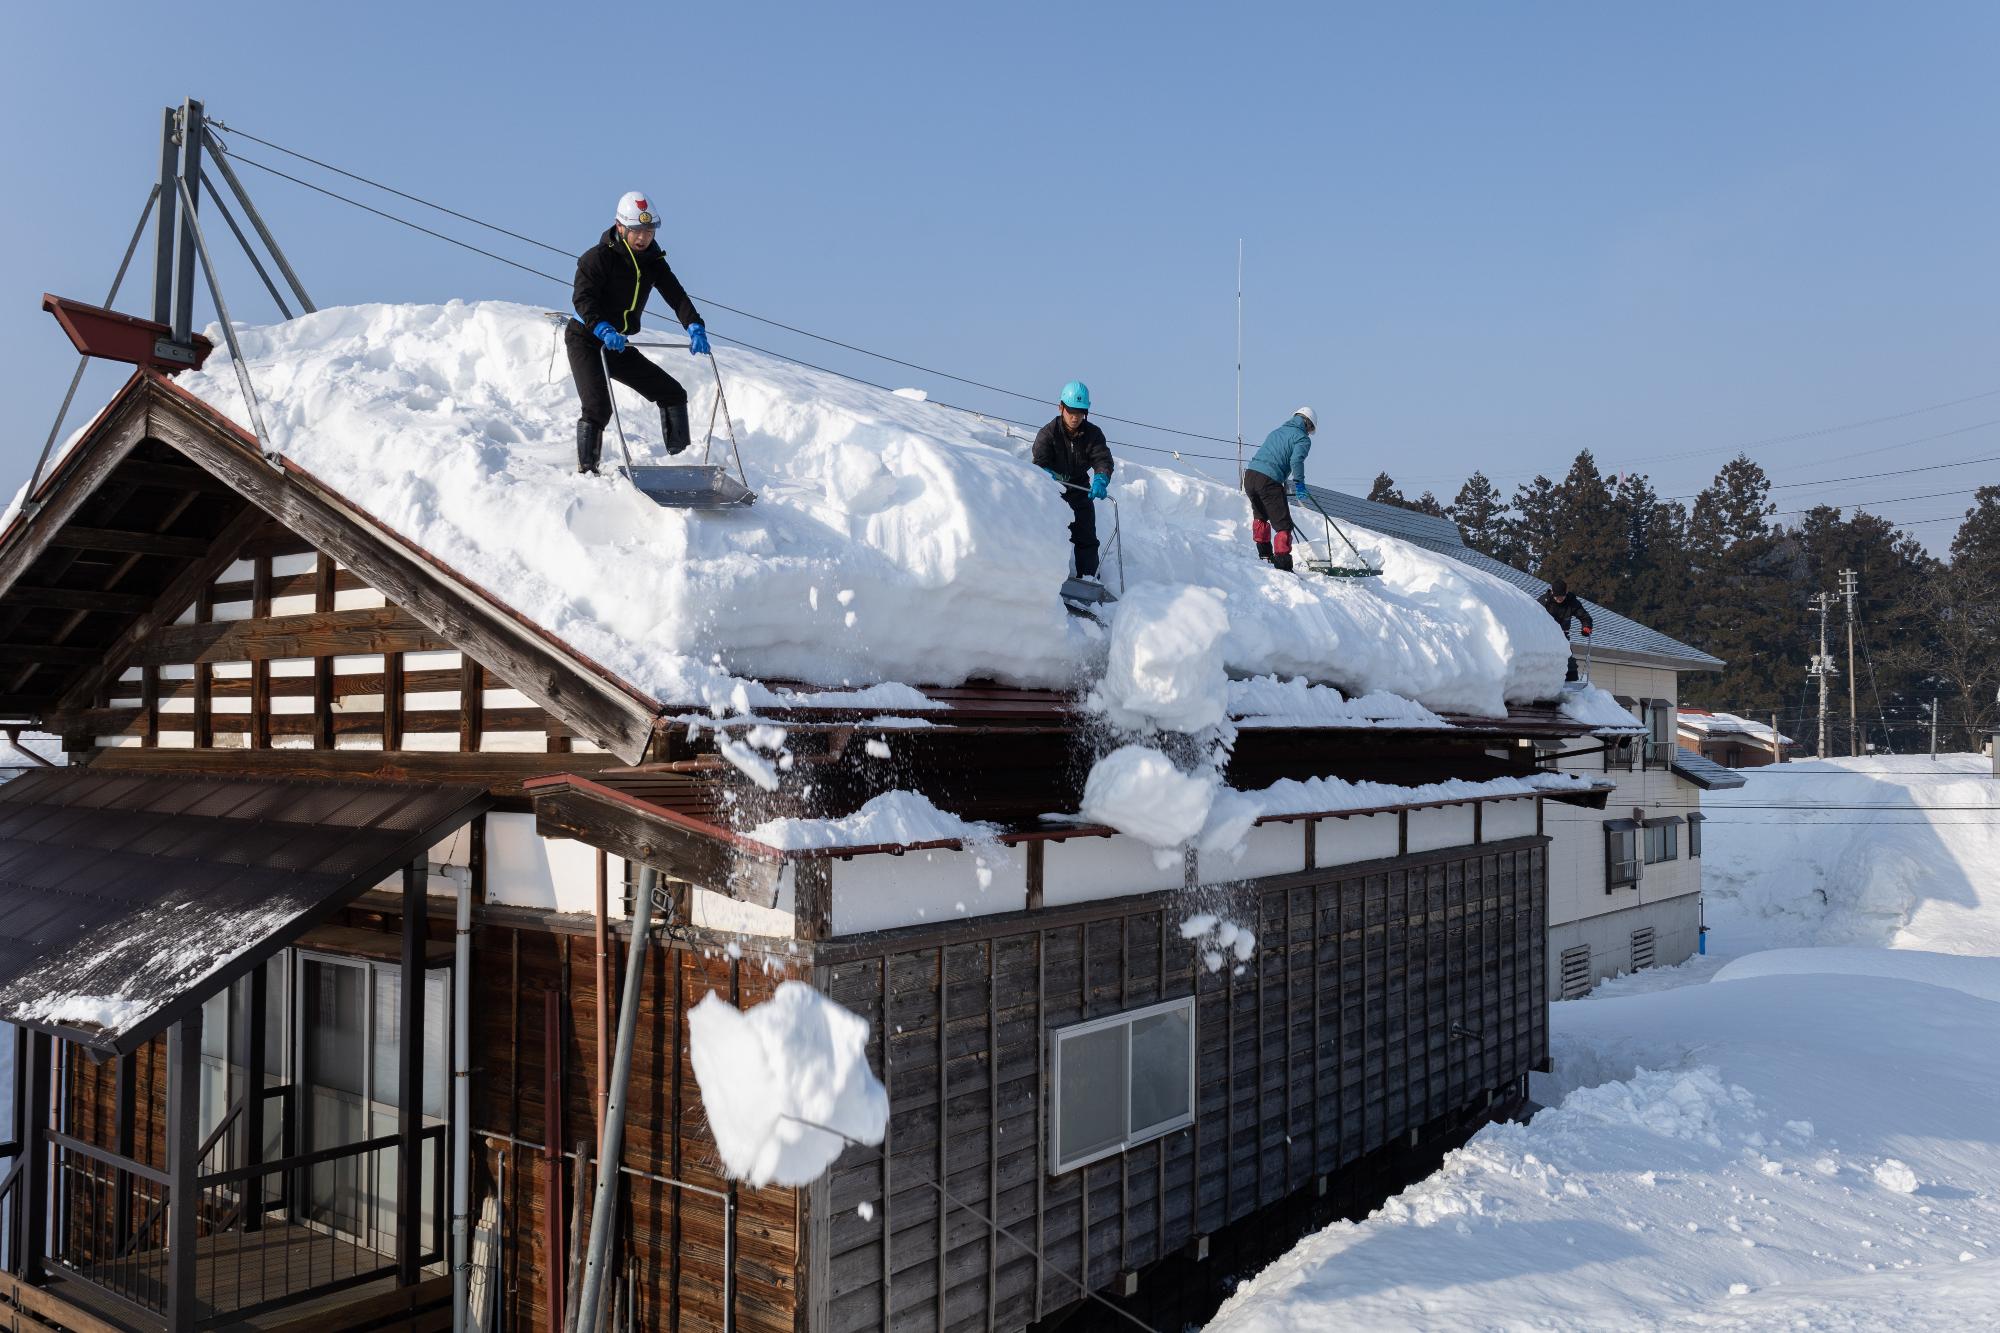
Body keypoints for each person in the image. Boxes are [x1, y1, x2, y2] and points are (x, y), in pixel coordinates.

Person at [567, 191, 709, 475]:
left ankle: (679, 464)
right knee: (597, 407)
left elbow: (675, 294)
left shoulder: (653, 261)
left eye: (649, 230)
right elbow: (583, 299)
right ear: (620, 227)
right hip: (587, 340)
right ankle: (587, 472)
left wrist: (694, 325)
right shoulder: (596, 258)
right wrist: (602, 327)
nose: (644, 237)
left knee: (672, 393)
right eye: (637, 231)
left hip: (617, 344)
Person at [1032, 381, 1114, 579]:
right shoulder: (1048, 433)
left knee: (1086, 537)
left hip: (1079, 490)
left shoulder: (1093, 434)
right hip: (1052, 492)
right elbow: (1038, 461)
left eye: (1080, 412)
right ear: (1061, 407)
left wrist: (1101, 478)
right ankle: (1046, 579)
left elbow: (1102, 458)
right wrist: (1046, 473)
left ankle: (1088, 583)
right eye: (1071, 411)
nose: (1075, 417)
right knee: (1048, 534)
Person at [1242, 407, 1317, 571]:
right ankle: (1283, 565)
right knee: (1283, 525)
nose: (1309, 433)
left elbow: (1272, 455)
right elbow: (1296, 461)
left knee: (1261, 516)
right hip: (1269, 480)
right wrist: (1299, 483)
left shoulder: (1277, 431)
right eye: (1310, 430)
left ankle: (1265, 555)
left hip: (1250, 476)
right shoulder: (1302, 439)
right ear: (1307, 424)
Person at [1539, 577, 1595, 681]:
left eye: (1562, 596)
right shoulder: (1544, 602)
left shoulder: (1572, 602)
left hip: (1562, 638)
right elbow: (1532, 617)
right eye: (1556, 596)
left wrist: (1586, 627)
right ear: (1552, 592)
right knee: (1546, 663)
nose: (1559, 599)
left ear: (1566, 592)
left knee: (1570, 665)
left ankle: (1571, 690)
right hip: (1545, 640)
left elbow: (1585, 617)